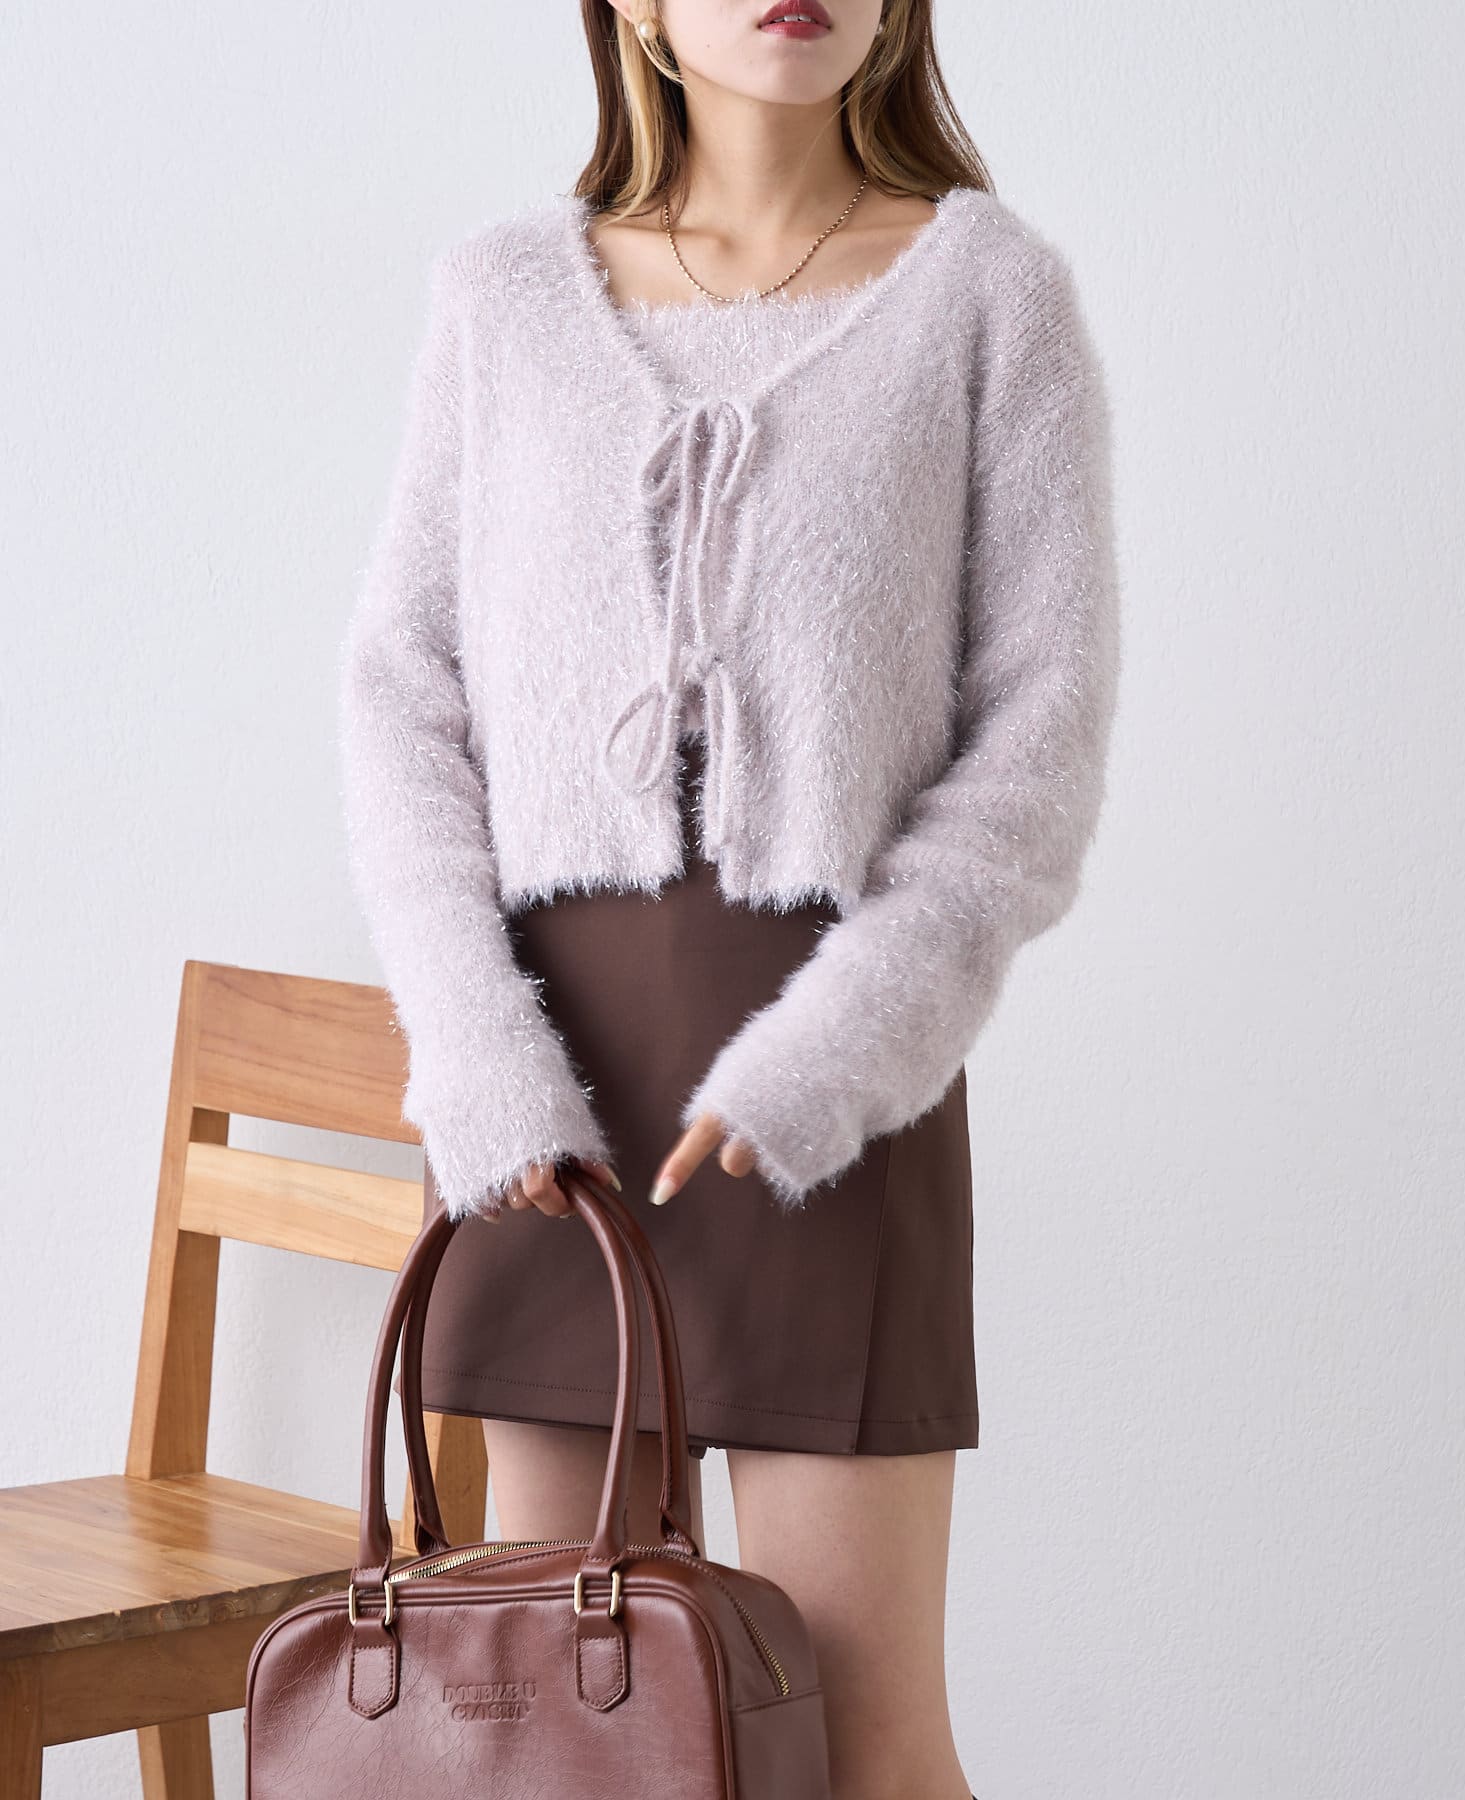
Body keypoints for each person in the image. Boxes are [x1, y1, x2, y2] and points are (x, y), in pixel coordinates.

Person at [336, 2, 1120, 1793]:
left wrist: (835, 1058)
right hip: (546, 1100)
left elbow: (1038, 750)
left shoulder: (990, 296)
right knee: (569, 1743)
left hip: (836, 1095)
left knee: (864, 1744)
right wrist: (474, 1059)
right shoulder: (501, 299)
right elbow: (402, 697)